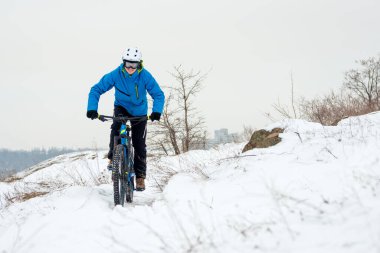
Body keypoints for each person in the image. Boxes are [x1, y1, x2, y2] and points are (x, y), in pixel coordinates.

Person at [86, 47, 165, 191]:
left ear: (139, 64)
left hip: (139, 112)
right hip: (121, 108)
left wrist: (156, 112)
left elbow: (158, 95)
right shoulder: (116, 74)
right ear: (123, 63)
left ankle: (140, 177)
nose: (130, 68)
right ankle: (113, 157)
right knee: (115, 128)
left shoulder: (145, 76)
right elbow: (96, 89)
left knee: (139, 143)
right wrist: (92, 108)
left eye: (133, 65)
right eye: (127, 64)